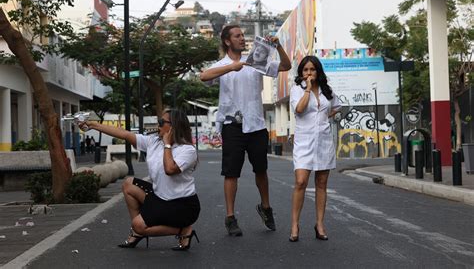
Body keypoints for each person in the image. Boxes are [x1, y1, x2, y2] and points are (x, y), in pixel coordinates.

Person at [200, 25, 291, 236]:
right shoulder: (221, 65)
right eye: (237, 36)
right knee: (231, 173)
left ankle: (266, 208)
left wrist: (278, 46)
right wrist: (231, 67)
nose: (242, 39)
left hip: (256, 124)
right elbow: (204, 77)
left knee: (261, 170)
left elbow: (285, 66)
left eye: (243, 35)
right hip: (233, 126)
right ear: (227, 41)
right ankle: (230, 217)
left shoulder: (255, 62)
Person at [78, 109, 200, 250]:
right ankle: (140, 229)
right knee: (128, 184)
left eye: (161, 122)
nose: (158, 125)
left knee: (138, 225)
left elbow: (170, 170)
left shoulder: (187, 150)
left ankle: (183, 231)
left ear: (174, 126)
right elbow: (125, 134)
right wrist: (93, 125)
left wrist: (167, 144)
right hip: (161, 198)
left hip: (182, 205)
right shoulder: (154, 141)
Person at [289, 55, 341, 242]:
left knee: (321, 183)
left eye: (312, 69)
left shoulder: (327, 90)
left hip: (324, 141)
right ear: (301, 72)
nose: (309, 73)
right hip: (304, 141)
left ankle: (319, 223)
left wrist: (325, 117)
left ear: (318, 71)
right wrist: (308, 90)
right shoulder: (297, 90)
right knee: (301, 181)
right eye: (305, 70)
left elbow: (337, 106)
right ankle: (295, 224)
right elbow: (299, 110)